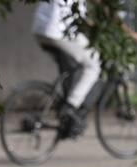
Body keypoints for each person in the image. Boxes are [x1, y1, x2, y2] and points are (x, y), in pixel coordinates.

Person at [32, 0, 101, 139]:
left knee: (72, 67)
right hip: (58, 30)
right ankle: (70, 106)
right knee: (93, 63)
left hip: (40, 28)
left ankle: (67, 117)